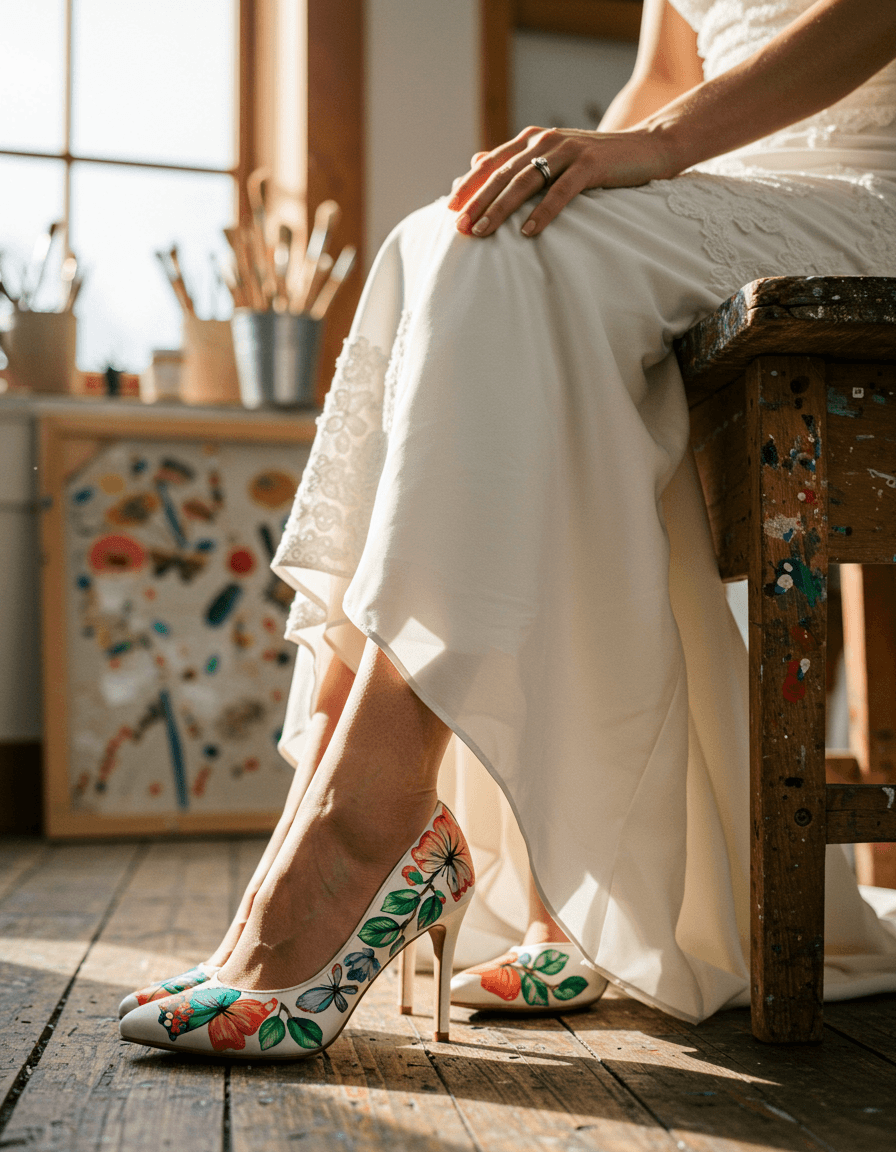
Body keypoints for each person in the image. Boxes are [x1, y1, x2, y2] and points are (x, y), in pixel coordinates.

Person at [120, 0, 896, 1058]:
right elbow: (666, 64)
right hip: (723, 177)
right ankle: (444, 844)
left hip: (861, 189)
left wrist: (655, 150)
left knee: (511, 253)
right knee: (452, 234)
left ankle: (366, 828)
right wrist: (576, 156)